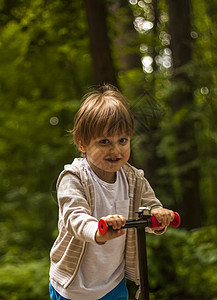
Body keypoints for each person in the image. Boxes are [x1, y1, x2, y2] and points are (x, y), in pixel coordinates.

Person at [49, 84, 174, 300]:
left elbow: (150, 209)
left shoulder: (134, 179)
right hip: (73, 287)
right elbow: (74, 218)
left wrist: (158, 216)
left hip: (113, 285)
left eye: (122, 140)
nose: (115, 150)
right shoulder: (73, 178)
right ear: (82, 143)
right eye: (104, 141)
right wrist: (98, 231)